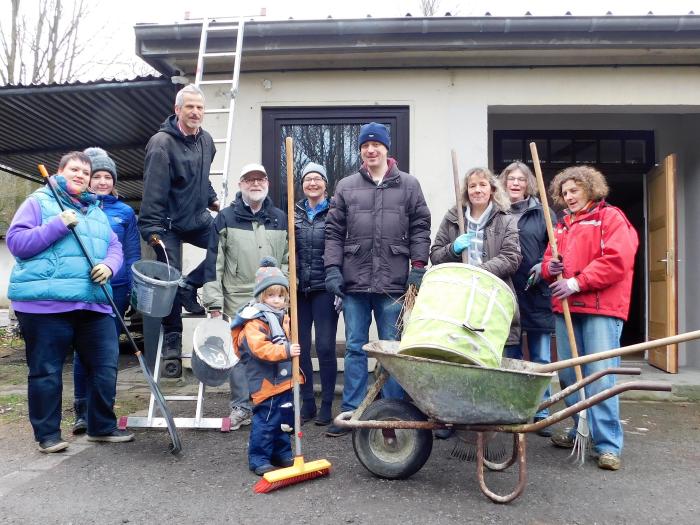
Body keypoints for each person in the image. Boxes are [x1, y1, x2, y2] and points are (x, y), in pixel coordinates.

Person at [6, 151, 134, 453]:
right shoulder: (39, 202)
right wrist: (57, 225)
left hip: (93, 303)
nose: (81, 175)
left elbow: (115, 249)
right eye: (74, 169)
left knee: (105, 367)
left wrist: (111, 267)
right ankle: (48, 435)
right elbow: (17, 244)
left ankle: (101, 426)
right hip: (45, 305)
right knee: (47, 371)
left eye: (85, 173)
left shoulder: (97, 212)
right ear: (59, 172)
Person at [324, 122, 431, 437]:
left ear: (387, 149)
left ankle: (391, 414)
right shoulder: (346, 186)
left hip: (394, 284)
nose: (371, 150)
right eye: (365, 146)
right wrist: (332, 268)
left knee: (391, 350)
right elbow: (333, 232)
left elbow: (421, 226)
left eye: (376, 145)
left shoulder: (409, 185)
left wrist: (419, 264)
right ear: (360, 151)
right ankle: (354, 410)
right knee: (356, 347)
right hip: (354, 282)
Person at [541, 166, 638, 471]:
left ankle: (608, 444)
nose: (569, 197)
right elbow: (547, 261)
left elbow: (617, 260)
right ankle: (579, 427)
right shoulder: (562, 226)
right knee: (570, 376)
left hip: (600, 308)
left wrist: (577, 282)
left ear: (591, 188)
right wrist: (550, 270)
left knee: (600, 375)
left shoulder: (610, 218)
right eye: (565, 192)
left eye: (575, 190)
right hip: (567, 308)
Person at [203, 163, 288, 430]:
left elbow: (288, 260)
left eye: (260, 179)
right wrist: (214, 302)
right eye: (249, 180)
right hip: (237, 298)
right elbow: (213, 263)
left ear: (267, 184)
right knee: (240, 355)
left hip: (272, 300)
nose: (255, 184)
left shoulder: (279, 218)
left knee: (273, 350)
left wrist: (283, 293)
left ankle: (272, 408)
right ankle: (241, 407)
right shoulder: (225, 218)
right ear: (241, 185)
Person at [138, 84, 219, 365]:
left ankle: (191, 285)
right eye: (190, 107)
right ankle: (172, 334)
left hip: (196, 218)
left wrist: (213, 200)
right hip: (167, 223)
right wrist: (151, 229)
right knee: (169, 274)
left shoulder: (206, 141)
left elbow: (202, 176)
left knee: (227, 242)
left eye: (199, 107)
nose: (195, 112)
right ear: (177, 110)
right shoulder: (161, 143)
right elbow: (153, 189)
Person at [71, 147, 141, 434]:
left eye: (107, 177)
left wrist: (135, 288)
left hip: (117, 289)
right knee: (82, 351)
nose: (102, 182)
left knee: (107, 352)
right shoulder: (77, 207)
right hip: (84, 288)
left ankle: (103, 409)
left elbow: (132, 252)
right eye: (96, 176)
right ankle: (81, 411)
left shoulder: (124, 211)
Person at [498, 161, 556, 437]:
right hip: (506, 290)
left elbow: (557, 248)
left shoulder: (543, 213)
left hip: (537, 291)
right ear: (504, 182)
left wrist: (544, 267)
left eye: (521, 179)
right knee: (511, 353)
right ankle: (512, 406)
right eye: (511, 179)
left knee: (541, 356)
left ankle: (541, 409)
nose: (516, 183)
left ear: (528, 184)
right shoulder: (497, 212)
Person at [230, 257, 301, 475]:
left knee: (283, 419)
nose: (277, 300)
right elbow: (260, 349)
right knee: (266, 421)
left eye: (281, 295)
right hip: (265, 381)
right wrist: (286, 351)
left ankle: (281, 453)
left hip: (283, 379)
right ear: (261, 295)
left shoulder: (283, 317)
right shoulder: (255, 321)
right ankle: (259, 457)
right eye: (271, 295)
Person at [294, 162, 339, 426]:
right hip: (300, 289)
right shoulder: (294, 212)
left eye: (317, 179)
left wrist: (339, 285)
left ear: (325, 184)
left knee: (324, 346)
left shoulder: (334, 212)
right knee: (299, 348)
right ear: (302, 185)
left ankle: (326, 404)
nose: (312, 183)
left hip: (324, 289)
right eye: (308, 179)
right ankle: (308, 401)